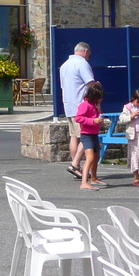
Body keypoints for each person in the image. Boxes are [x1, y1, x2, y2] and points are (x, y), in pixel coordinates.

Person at [59, 41, 96, 179]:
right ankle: (75, 165)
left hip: (68, 104)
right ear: (85, 51)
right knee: (86, 136)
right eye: (89, 54)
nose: (89, 57)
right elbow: (91, 84)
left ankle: (77, 167)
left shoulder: (64, 66)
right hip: (81, 105)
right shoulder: (82, 63)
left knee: (74, 136)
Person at [76, 81, 106, 190]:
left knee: (96, 156)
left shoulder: (94, 106)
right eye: (99, 98)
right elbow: (78, 118)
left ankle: (94, 178)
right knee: (90, 157)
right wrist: (93, 121)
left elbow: (97, 117)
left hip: (94, 134)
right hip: (86, 134)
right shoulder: (85, 105)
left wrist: (99, 114)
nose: (101, 100)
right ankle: (84, 182)